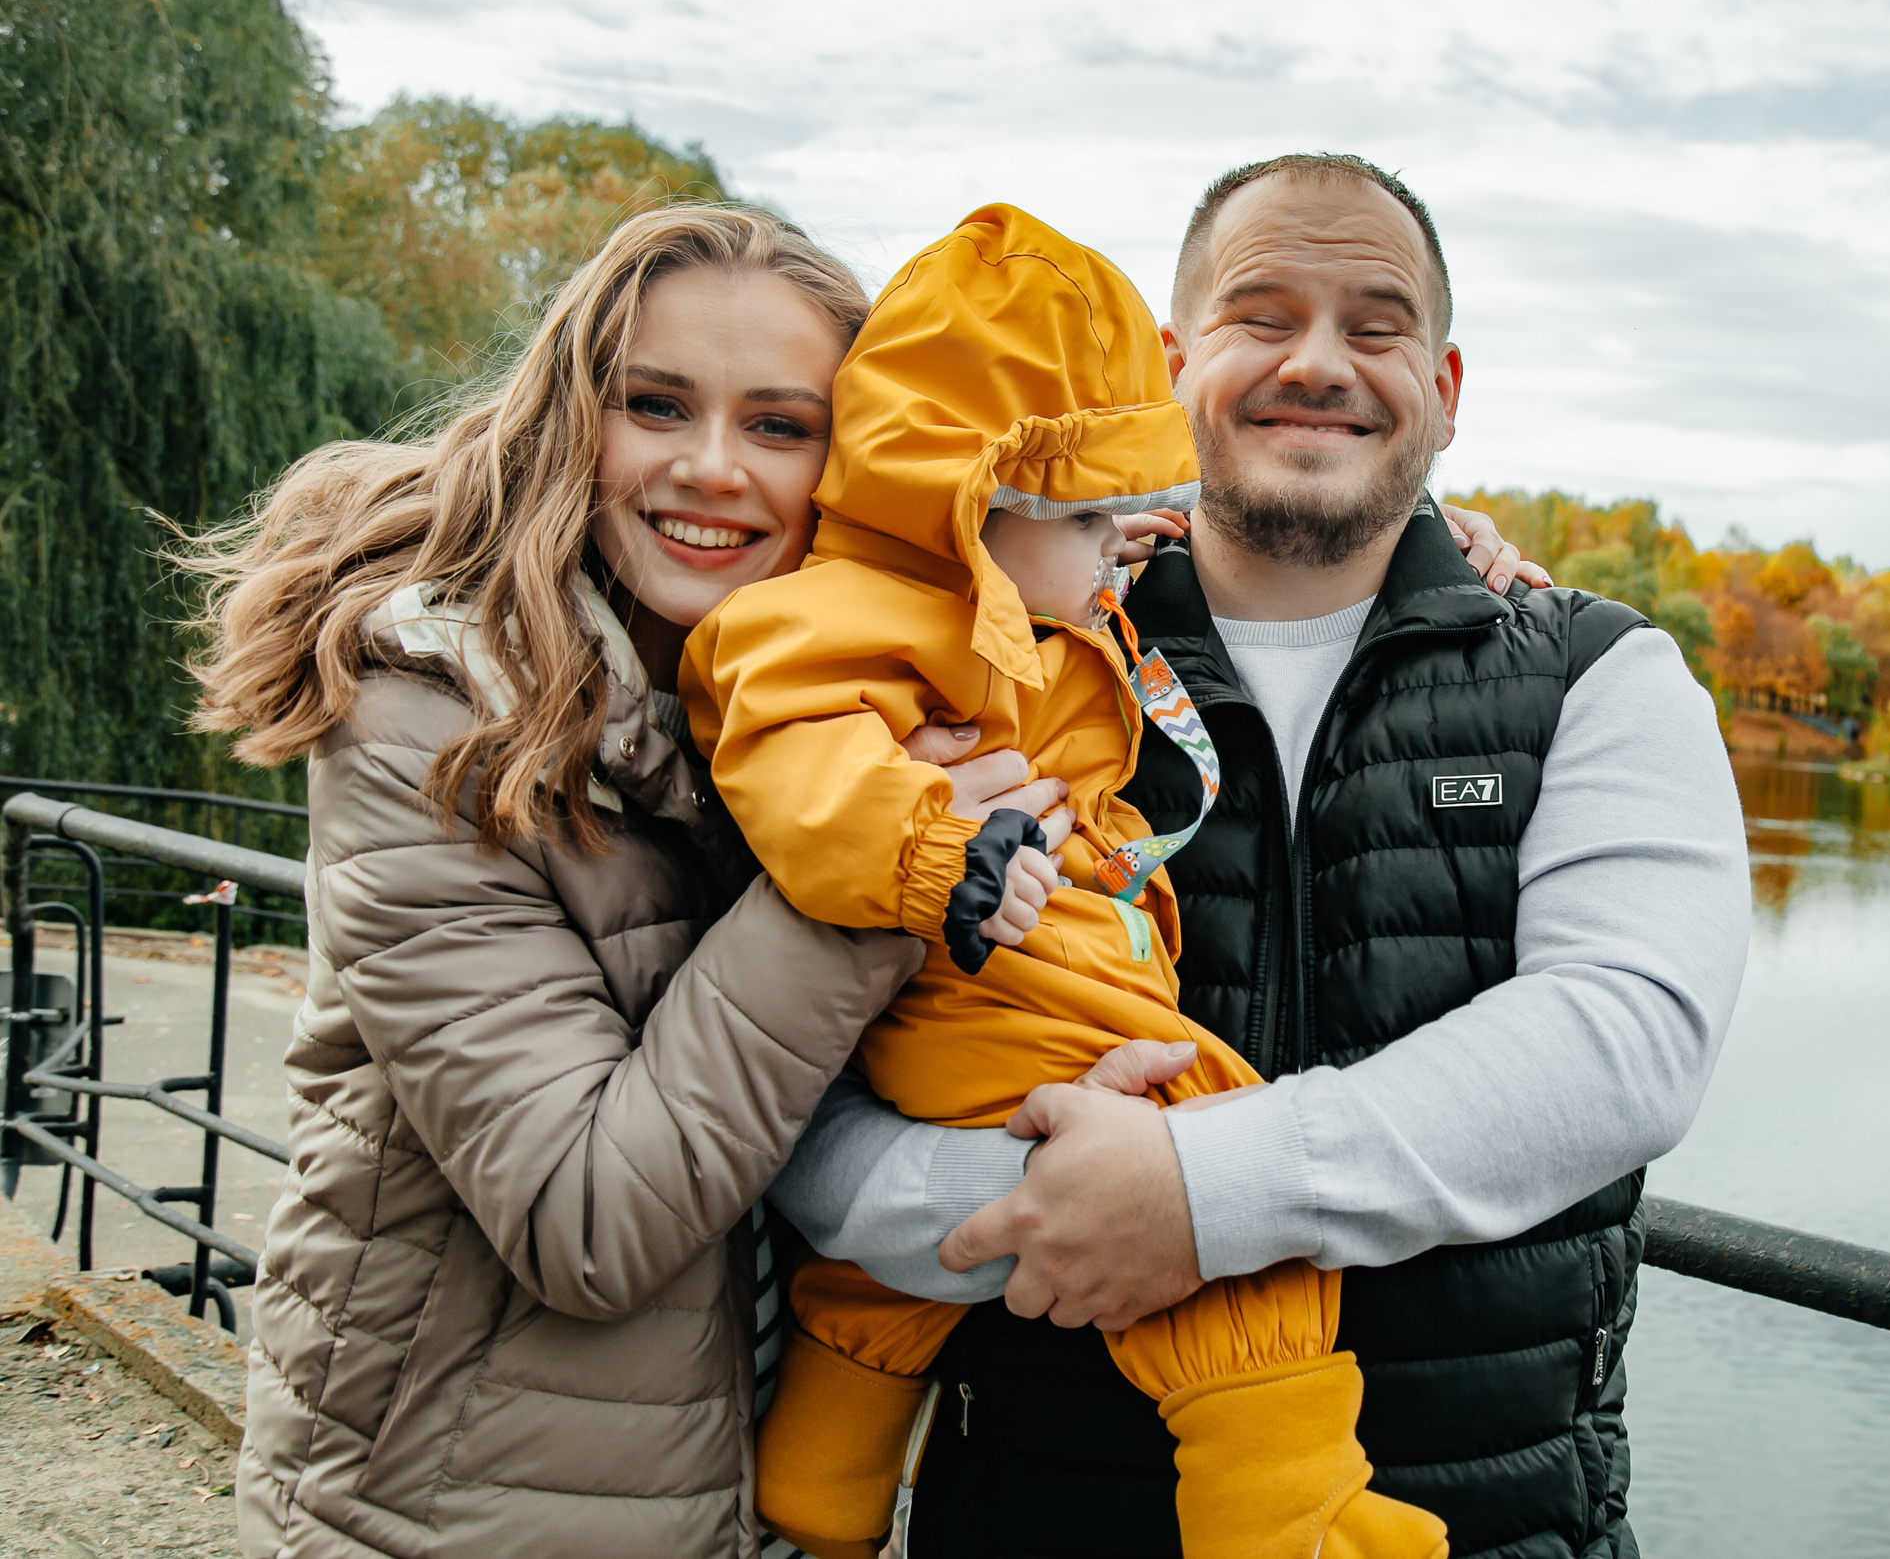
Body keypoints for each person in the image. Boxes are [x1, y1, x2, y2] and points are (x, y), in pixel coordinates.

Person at [772, 155, 1754, 1559]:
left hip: (1480, 1527)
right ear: (1174, 367)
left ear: (1447, 387)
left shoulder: (1603, 676)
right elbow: (790, 1083)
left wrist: (1195, 1196)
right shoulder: (984, 659)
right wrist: (1009, 1203)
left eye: (1375, 325)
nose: (1318, 363)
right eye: (1262, 313)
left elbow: (1625, 1041)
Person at [180, 204, 1024, 1559]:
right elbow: (586, 1218)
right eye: (657, 405)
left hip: (742, 1490)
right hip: (454, 1508)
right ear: (575, 418)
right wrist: (871, 867)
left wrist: (1450, 574)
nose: (712, 469)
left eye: (779, 425)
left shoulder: (806, 699)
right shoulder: (430, 723)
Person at [685, 204, 1448, 1559]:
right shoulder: (831, 622)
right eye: (1091, 514)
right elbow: (795, 761)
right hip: (1003, 985)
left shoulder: (1026, 607)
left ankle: (826, 1463)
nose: (1119, 547)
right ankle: (1280, 1507)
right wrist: (941, 851)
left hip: (986, 991)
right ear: (974, 498)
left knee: (882, 1281)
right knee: (1227, 1168)